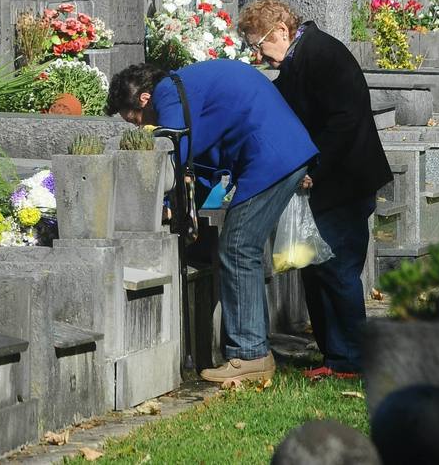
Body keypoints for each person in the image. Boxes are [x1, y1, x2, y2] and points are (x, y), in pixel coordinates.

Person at [106, 59, 318, 385]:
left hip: (271, 157)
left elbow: (175, 150)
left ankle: (250, 355)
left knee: (237, 248)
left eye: (135, 120)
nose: (139, 128)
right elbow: (204, 158)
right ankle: (255, 351)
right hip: (280, 152)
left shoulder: (167, 94)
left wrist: (160, 203)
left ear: (144, 100)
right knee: (240, 247)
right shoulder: (187, 85)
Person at [238, 0, 391, 380]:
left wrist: (315, 169)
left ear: (282, 32)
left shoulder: (321, 55)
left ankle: (351, 359)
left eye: (259, 46)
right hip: (327, 184)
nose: (258, 56)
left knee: (338, 270)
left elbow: (344, 122)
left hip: (344, 183)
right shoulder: (298, 58)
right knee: (314, 268)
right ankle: (334, 355)